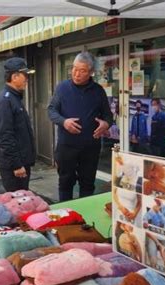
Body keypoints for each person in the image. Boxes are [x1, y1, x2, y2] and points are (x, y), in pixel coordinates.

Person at [48, 52, 113, 201]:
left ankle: (85, 216)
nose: (76, 74)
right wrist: (64, 122)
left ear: (91, 72)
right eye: (74, 69)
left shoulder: (98, 91)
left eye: (82, 71)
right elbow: (51, 110)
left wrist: (106, 124)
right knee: (65, 182)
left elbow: (108, 116)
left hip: (90, 147)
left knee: (88, 184)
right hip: (67, 146)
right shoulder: (62, 88)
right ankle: (66, 214)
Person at [0, 57, 36, 192]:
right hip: (14, 166)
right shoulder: (5, 100)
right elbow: (5, 136)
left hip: (21, 162)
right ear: (15, 77)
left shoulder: (14, 98)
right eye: (25, 75)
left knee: (23, 199)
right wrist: (16, 165)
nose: (27, 79)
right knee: (17, 203)